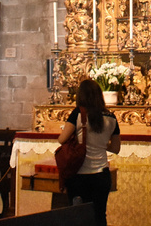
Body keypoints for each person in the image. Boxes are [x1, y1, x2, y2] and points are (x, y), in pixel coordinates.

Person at [57, 80, 120, 226]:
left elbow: (62, 139)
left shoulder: (78, 113)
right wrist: (100, 144)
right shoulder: (111, 117)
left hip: (80, 175)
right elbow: (115, 148)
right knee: (99, 216)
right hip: (101, 175)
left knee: (78, 218)